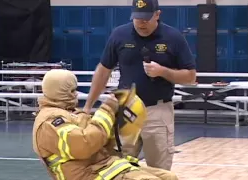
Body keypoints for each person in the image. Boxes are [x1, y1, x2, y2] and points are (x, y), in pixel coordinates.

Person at [83, 0, 196, 171]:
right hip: (126, 110)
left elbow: (190, 77)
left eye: (146, 18)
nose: (141, 23)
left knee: (159, 169)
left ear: (157, 15)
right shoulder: (119, 35)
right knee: (120, 166)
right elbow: (103, 70)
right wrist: (87, 106)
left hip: (158, 111)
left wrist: (162, 71)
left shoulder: (173, 37)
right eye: (137, 18)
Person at [32, 69, 179, 180]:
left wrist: (120, 123)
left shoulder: (71, 113)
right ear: (59, 91)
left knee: (169, 177)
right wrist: (107, 110)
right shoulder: (50, 121)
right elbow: (84, 144)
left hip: (106, 167)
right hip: (90, 174)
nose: (76, 94)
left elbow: (101, 142)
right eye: (71, 90)